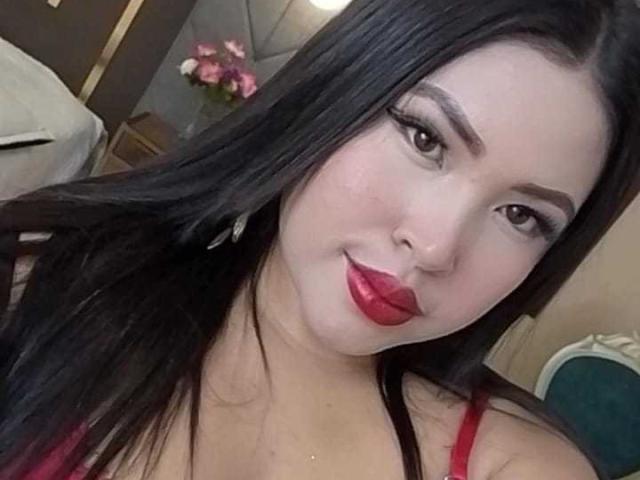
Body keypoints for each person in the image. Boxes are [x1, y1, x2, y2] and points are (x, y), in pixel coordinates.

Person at [1, 0, 639, 479]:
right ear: (337, 93)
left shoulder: (515, 468)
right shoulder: (46, 274)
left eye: (522, 215)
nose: (435, 246)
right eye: (425, 139)